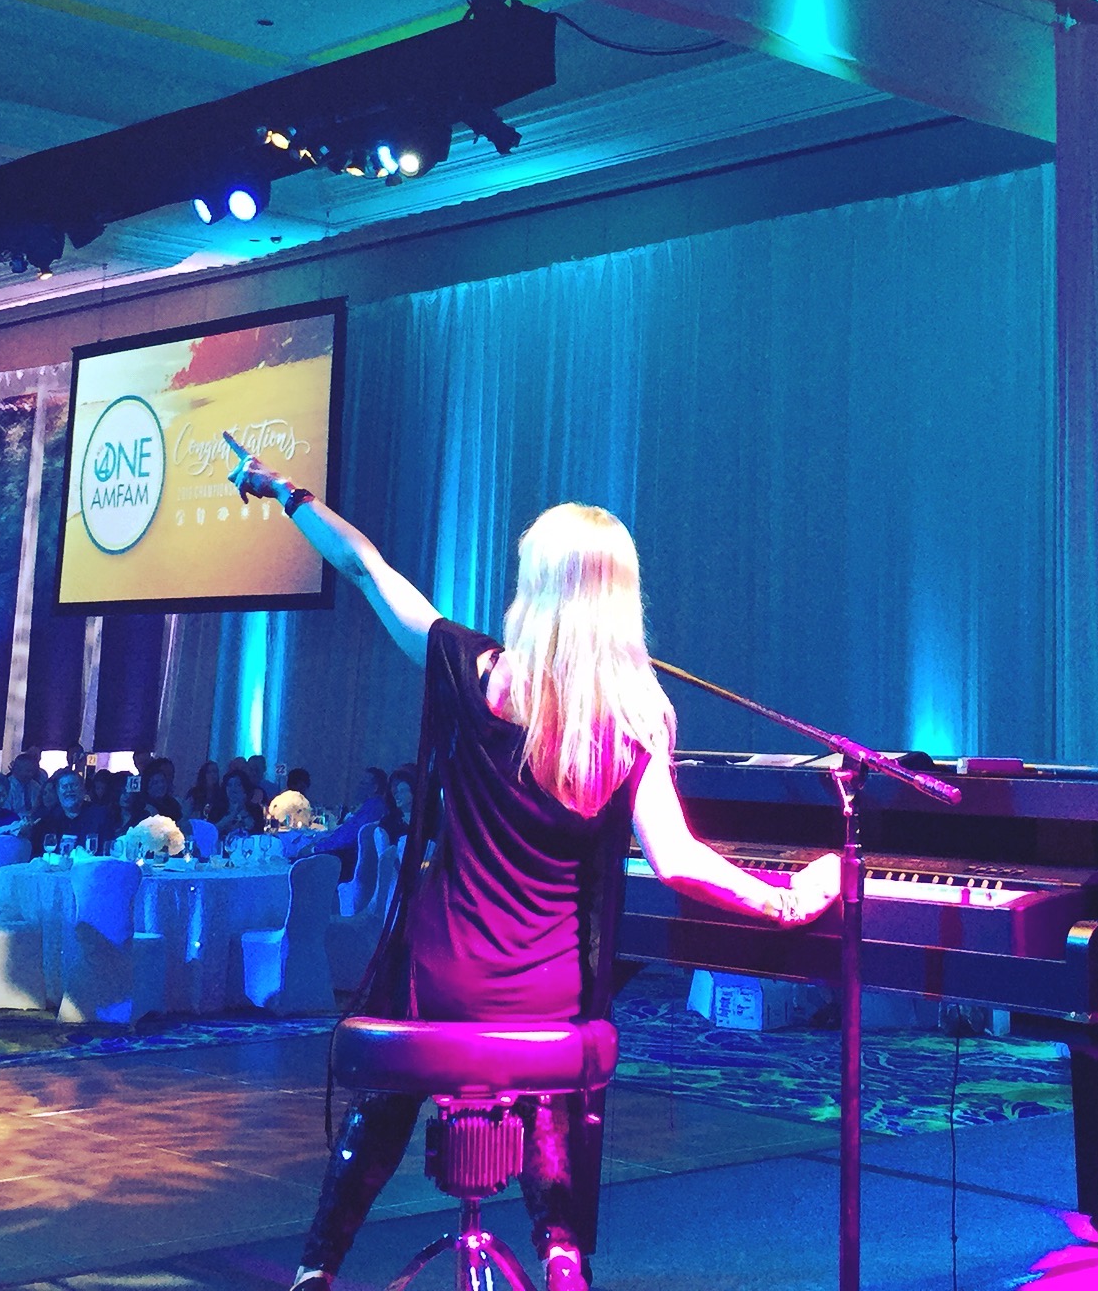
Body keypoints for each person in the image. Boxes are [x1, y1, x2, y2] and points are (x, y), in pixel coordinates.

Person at [220, 439, 837, 1291]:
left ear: (535, 588)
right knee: (552, 1092)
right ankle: (560, 1258)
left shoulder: (474, 673)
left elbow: (364, 568)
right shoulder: (634, 722)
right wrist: (787, 900)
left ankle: (317, 1267)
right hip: (544, 994)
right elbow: (679, 860)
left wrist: (285, 492)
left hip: (443, 978)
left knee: (391, 1092)